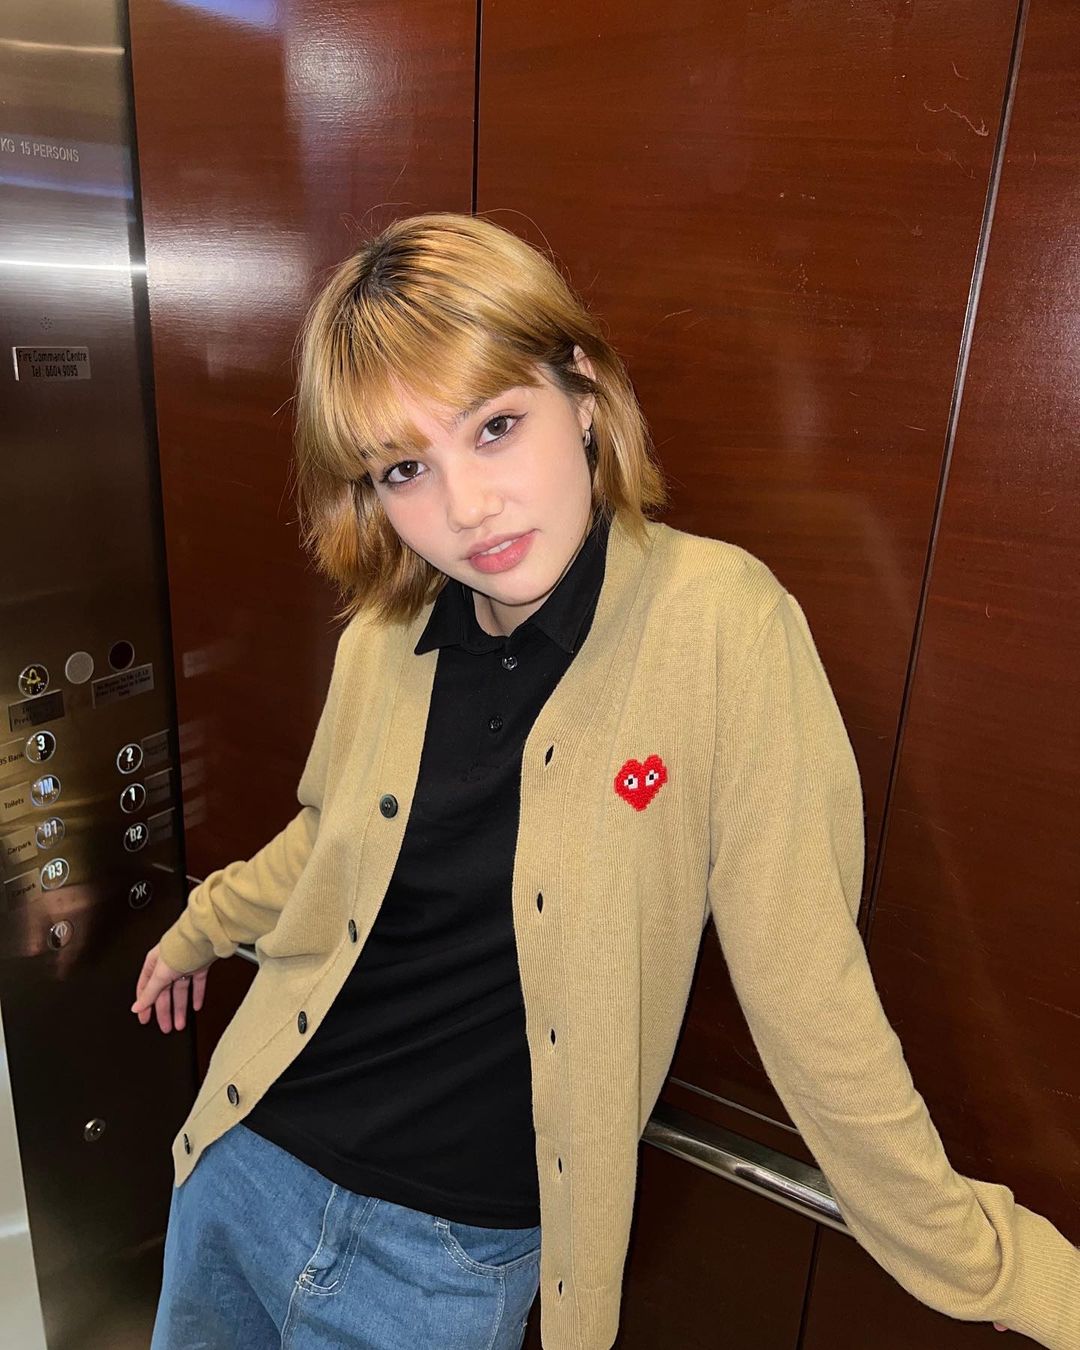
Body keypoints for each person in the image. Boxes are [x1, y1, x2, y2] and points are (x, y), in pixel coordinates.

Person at [133, 213, 1077, 1350]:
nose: (465, 508)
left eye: (494, 427)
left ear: (581, 392)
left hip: (443, 1261)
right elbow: (327, 843)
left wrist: (1009, 1276)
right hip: (247, 1161)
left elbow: (814, 1000)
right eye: (405, 469)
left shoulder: (721, 627)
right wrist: (199, 928)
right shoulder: (384, 635)